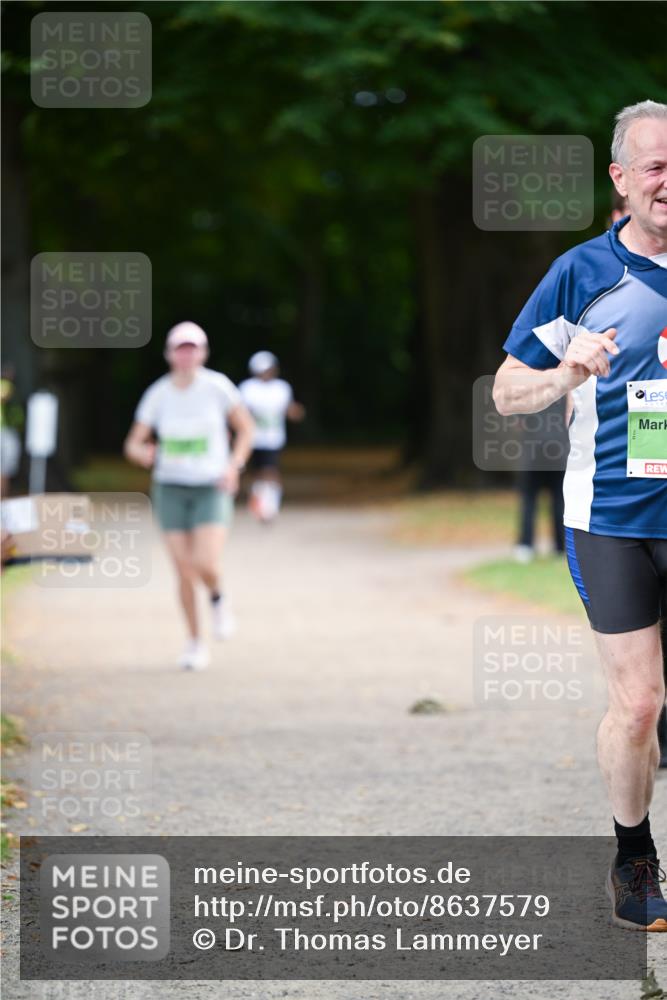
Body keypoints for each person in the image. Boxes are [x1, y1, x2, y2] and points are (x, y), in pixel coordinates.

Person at [493, 101, 667, 931]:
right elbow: (504, 390)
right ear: (620, 179)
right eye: (655, 166)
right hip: (613, 520)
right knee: (637, 704)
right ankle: (633, 859)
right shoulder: (582, 273)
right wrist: (565, 371)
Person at [124, 322, 254, 670]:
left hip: (211, 486)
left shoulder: (217, 388)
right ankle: (195, 642)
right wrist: (143, 454)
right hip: (170, 488)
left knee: (205, 563)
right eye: (180, 348)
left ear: (203, 352)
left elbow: (246, 430)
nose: (186, 354)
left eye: (192, 347)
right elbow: (133, 443)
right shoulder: (158, 394)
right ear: (169, 353)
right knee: (182, 569)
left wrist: (234, 466)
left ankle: (217, 596)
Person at [239, 351, 305, 522]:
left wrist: (296, 412)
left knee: (270, 471)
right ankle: (258, 502)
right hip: (253, 438)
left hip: (273, 439)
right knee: (256, 472)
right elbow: (240, 413)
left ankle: (270, 505)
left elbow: (289, 409)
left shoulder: (281, 388)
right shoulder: (248, 388)